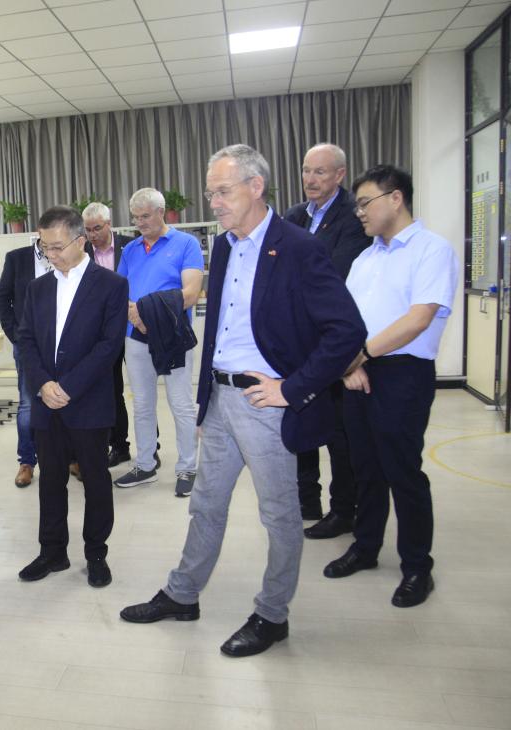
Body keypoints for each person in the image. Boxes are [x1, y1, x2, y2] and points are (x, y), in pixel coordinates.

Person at [119, 144, 365, 658]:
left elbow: (346, 331)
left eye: (223, 191)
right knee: (206, 504)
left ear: (256, 187)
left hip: (265, 404)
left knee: (279, 515)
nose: (214, 202)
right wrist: (206, 399)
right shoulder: (226, 246)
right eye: (211, 192)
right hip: (221, 400)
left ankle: (273, 615)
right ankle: (183, 594)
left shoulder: (297, 247)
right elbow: (218, 330)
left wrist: (290, 388)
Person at [324, 164, 458, 609]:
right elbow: (346, 318)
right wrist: (349, 365)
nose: (359, 212)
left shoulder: (431, 249)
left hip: (403, 373)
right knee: (364, 467)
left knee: (403, 471)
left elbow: (418, 319)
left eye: (365, 203)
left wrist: (359, 355)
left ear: (396, 198)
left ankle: (417, 565)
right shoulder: (366, 258)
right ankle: (365, 547)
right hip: (358, 371)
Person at [16, 206, 129, 587]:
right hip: (46, 403)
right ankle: (52, 552)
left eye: (57, 247)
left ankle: (96, 553)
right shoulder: (37, 289)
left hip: (88, 402)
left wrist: (68, 387)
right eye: (44, 247)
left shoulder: (111, 285)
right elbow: (26, 341)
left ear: (81, 241)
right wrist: (43, 384)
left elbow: (109, 346)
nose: (50, 255)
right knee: (50, 480)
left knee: (95, 480)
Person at [284, 143, 372, 538]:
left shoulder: (353, 217)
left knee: (339, 433)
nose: (310, 179)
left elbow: (335, 273)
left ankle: (343, 509)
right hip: (298, 341)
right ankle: (307, 499)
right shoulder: (294, 216)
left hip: (334, 342)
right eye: (306, 170)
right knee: (299, 418)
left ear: (340, 175)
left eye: (320, 172)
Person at [115, 187, 204, 496]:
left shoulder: (186, 244)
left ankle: (188, 468)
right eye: (135, 218)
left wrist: (147, 315)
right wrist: (135, 316)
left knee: (180, 403)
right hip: (135, 337)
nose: (139, 223)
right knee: (142, 404)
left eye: (145, 216)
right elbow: (119, 291)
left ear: (161, 212)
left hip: (173, 336)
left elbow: (190, 293)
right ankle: (145, 465)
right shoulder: (130, 250)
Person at [0, 237, 52, 488]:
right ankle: (27, 461)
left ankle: (71, 458)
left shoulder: (71, 253)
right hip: (28, 344)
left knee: (67, 400)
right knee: (28, 404)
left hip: (63, 344)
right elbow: (1, 299)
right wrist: (16, 335)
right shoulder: (17, 258)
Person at [82, 201, 135, 467]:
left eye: (97, 228)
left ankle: (152, 447)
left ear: (109, 224)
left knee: (143, 391)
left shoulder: (130, 246)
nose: (92, 234)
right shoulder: (81, 252)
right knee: (112, 391)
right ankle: (119, 445)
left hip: (133, 328)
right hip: (101, 334)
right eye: (88, 229)